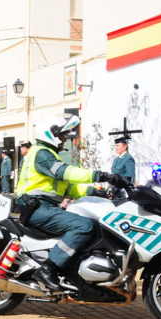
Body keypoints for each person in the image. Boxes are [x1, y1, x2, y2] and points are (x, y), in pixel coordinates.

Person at [17, 115, 127, 291]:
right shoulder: (42, 154)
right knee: (84, 226)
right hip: (37, 207)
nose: (64, 140)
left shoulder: (46, 154)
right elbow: (64, 173)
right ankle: (47, 269)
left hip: (44, 206)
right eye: (62, 135)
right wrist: (102, 175)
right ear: (50, 134)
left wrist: (100, 192)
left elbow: (69, 188)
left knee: (90, 222)